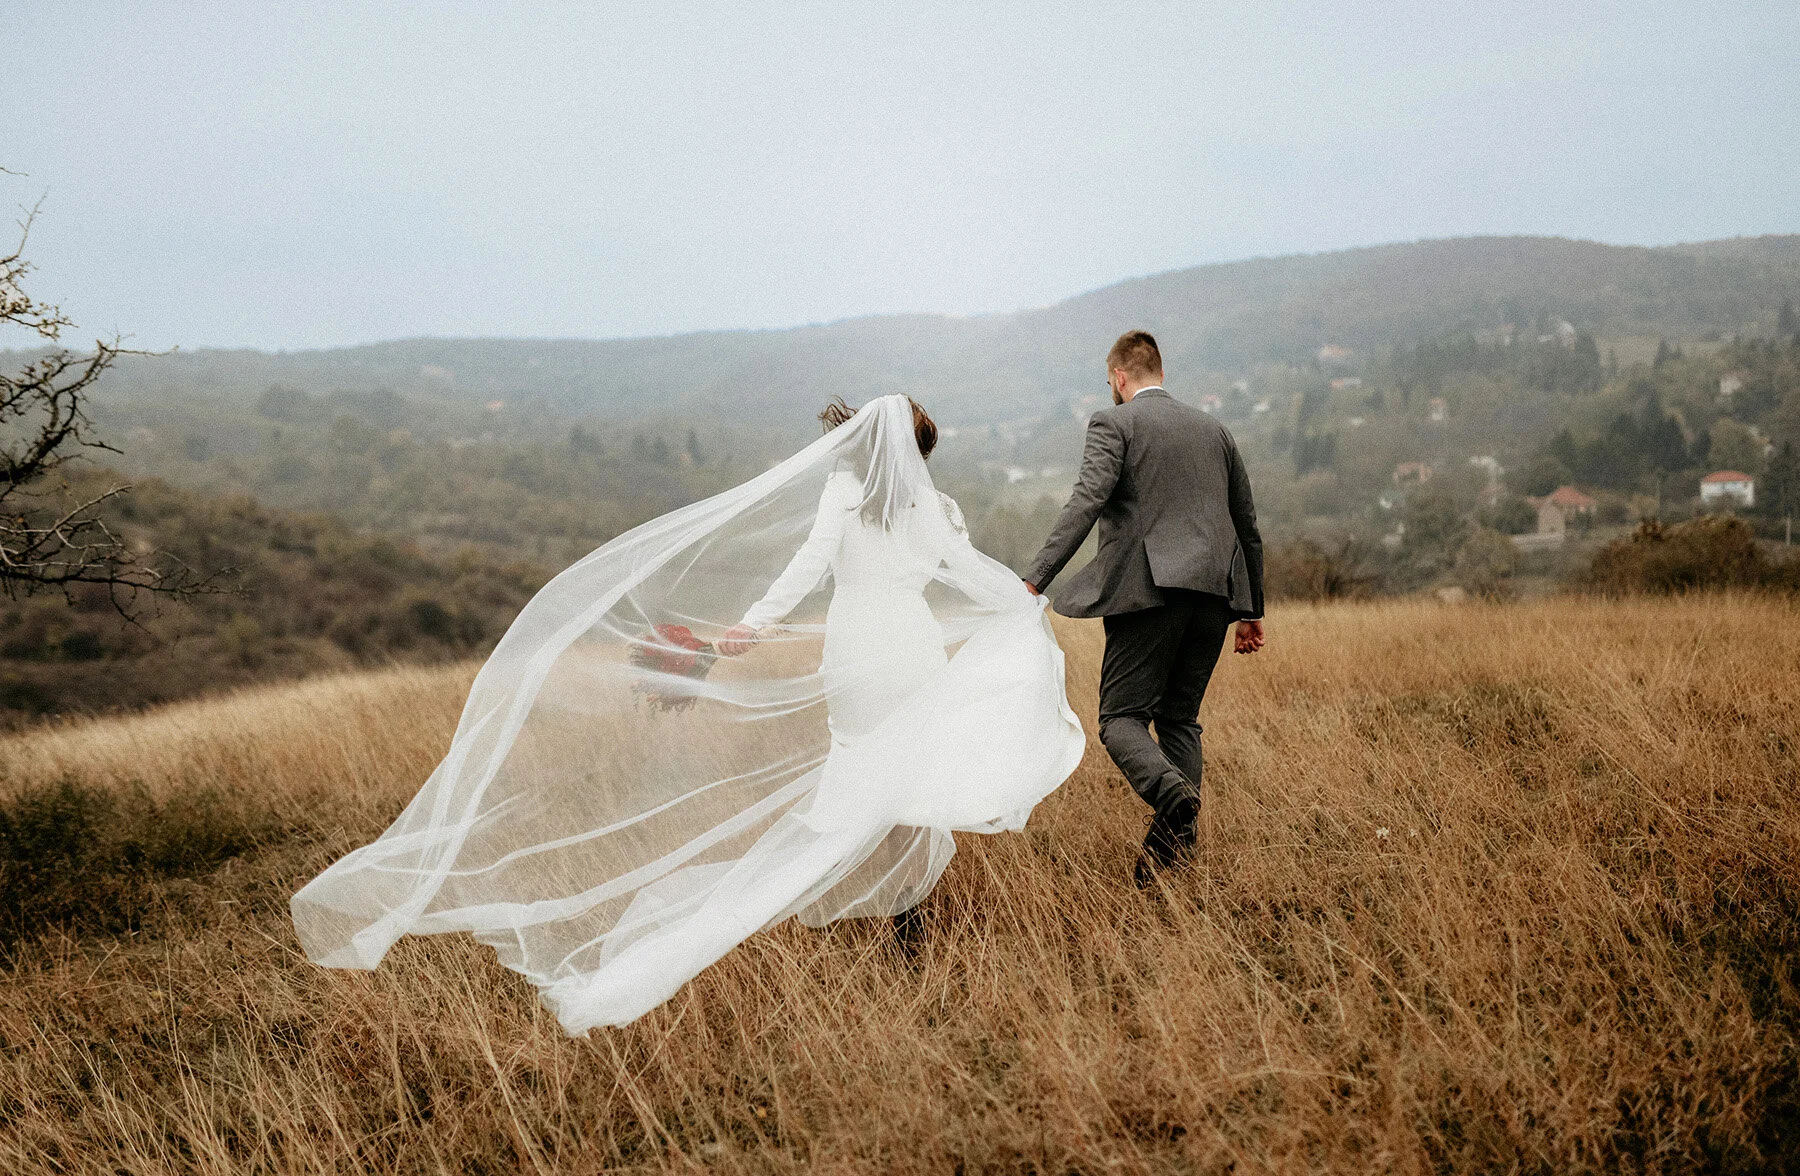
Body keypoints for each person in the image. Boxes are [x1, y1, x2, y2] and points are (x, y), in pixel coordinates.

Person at [291, 394, 1085, 1034]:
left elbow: (806, 568)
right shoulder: (937, 508)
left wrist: (751, 626)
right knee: (908, 781)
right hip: (909, 644)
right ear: (920, 453)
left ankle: (877, 909)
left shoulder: (843, 494)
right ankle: (907, 921)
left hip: (854, 646)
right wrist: (1023, 599)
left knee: (862, 778)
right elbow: (966, 571)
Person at [1024, 330, 1264, 885]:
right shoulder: (1215, 429)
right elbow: (1246, 525)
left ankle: (1171, 793)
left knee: (1119, 719)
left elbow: (1088, 500)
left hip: (1150, 592)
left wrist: (1036, 579)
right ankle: (1170, 865)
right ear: (1159, 370)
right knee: (1179, 719)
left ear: (1119, 378)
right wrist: (1251, 609)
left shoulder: (1114, 422)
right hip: (1216, 594)